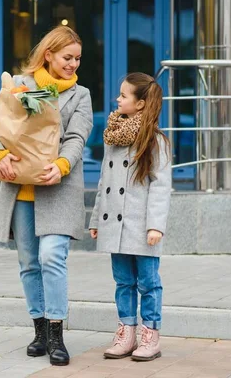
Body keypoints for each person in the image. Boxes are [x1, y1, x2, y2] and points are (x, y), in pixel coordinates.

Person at [0, 26, 93, 366]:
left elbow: (77, 136)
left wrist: (62, 164)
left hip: (58, 188)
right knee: (29, 262)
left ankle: (57, 332)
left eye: (77, 59)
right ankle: (39, 329)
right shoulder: (22, 85)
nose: (73, 64)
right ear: (49, 56)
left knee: (52, 256)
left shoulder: (80, 95)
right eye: (67, 58)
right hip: (18, 189)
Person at [89, 72, 172, 362]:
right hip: (114, 225)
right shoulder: (113, 137)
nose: (117, 99)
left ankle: (150, 334)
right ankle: (126, 332)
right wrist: (96, 219)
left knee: (148, 283)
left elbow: (160, 187)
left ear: (140, 104)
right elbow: (103, 182)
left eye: (123, 95)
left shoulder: (155, 141)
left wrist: (155, 226)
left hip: (141, 226)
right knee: (123, 281)